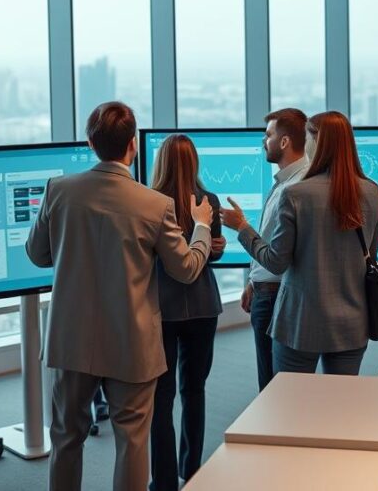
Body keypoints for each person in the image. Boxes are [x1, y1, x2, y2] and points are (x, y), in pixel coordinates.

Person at [26, 102, 213, 491]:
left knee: (66, 438)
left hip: (71, 339)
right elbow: (186, 269)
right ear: (132, 145)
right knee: (132, 441)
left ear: (90, 143)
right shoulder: (153, 204)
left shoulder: (58, 190)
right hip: (131, 342)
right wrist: (200, 228)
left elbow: (37, 254)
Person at [222, 111, 378, 376]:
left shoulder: (296, 194)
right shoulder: (372, 192)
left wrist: (242, 228)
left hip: (300, 321)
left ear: (316, 142)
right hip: (352, 321)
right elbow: (369, 257)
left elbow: (276, 262)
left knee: (288, 407)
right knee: (340, 407)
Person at [148, 134, 226, 491]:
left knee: (160, 397)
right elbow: (211, 253)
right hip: (202, 306)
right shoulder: (208, 199)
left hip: (159, 308)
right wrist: (214, 245)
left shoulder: (147, 203)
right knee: (195, 390)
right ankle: (191, 472)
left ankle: (163, 482)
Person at [240, 108, 309, 391]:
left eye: (268, 135)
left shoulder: (297, 187)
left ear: (284, 142)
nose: (263, 141)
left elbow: (280, 254)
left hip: (275, 296)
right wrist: (253, 282)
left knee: (271, 386)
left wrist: (241, 227)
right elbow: (273, 239)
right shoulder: (285, 181)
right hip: (266, 289)